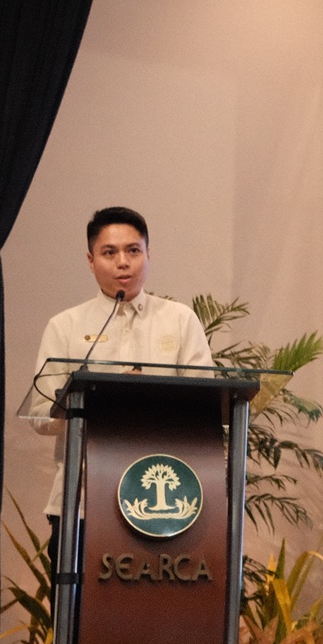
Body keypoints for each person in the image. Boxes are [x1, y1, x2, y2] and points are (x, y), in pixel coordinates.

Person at [27, 206, 214, 528]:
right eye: (109, 252)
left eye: (133, 250)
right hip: (81, 499)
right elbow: (39, 415)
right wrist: (91, 400)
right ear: (90, 260)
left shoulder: (180, 320)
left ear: (148, 254)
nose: (123, 262)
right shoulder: (65, 325)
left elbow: (208, 404)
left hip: (164, 500)